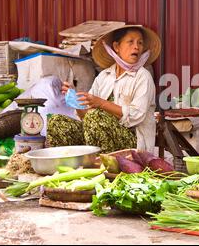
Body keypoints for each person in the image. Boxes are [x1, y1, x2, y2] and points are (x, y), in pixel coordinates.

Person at [47, 25, 161, 153]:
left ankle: (99, 165)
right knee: (57, 122)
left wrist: (100, 103)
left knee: (95, 117)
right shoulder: (104, 76)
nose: (136, 47)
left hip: (134, 143)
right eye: (131, 42)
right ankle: (74, 164)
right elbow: (85, 117)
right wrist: (75, 99)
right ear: (117, 47)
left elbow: (135, 116)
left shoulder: (143, 77)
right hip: (99, 136)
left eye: (140, 43)